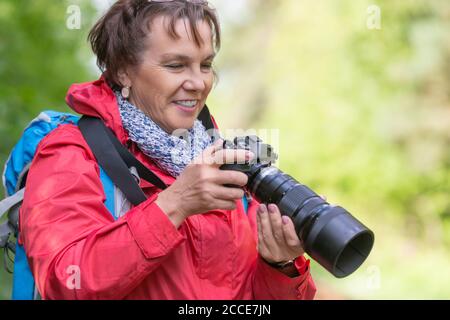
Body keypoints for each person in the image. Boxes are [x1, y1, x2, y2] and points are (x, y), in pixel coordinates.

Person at [20, 0, 316, 299]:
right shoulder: (71, 152)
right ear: (123, 71)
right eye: (176, 65)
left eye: (206, 65)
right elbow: (64, 282)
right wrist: (174, 204)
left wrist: (280, 265)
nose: (198, 83)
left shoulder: (221, 161)